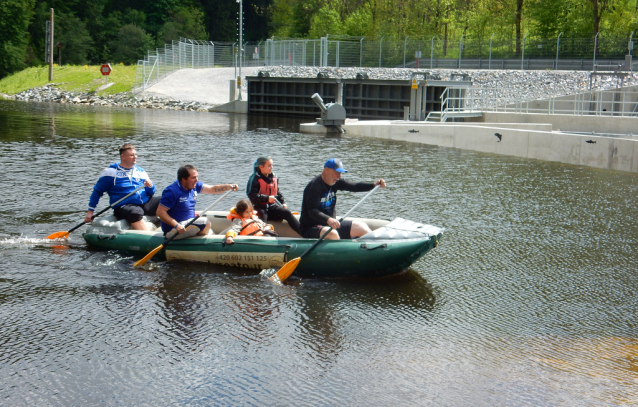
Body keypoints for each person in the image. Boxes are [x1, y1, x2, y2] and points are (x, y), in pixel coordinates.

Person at [299, 158, 386, 240]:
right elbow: (312, 211)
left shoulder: (336, 182)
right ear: (326, 170)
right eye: (337, 173)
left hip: (330, 224)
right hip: (311, 227)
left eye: (340, 173)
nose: (339, 176)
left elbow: (354, 186)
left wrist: (373, 185)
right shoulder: (314, 186)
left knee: (360, 227)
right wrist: (328, 219)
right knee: (333, 234)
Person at [85, 143, 160, 230]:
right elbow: (97, 192)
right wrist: (90, 211)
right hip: (124, 206)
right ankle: (148, 237)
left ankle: (173, 228)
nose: (135, 157)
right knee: (135, 212)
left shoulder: (141, 171)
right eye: (131, 155)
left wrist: (150, 186)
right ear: (123, 156)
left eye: (136, 154)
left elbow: (151, 192)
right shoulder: (110, 172)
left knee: (167, 199)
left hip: (145, 202)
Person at [157, 164, 238, 239]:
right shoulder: (172, 191)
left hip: (189, 225)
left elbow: (212, 189)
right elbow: (160, 212)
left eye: (197, 177)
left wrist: (229, 186)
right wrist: (177, 225)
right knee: (205, 222)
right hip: (174, 230)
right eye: (193, 178)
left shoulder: (194, 186)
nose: (197, 180)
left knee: (212, 234)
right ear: (183, 179)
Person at [246, 156, 301, 234]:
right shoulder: (254, 179)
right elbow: (252, 197)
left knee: (287, 213)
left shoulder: (273, 177)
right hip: (259, 208)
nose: (271, 168)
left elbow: (277, 192)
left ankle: (303, 232)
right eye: (269, 166)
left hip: (272, 207)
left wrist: (283, 202)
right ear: (261, 167)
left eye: (272, 165)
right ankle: (263, 235)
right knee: (262, 218)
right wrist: (267, 198)